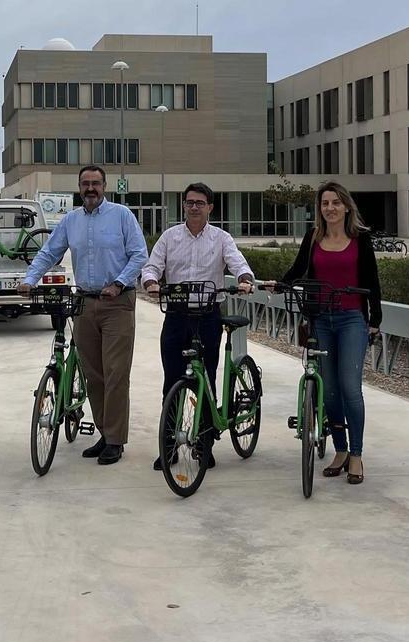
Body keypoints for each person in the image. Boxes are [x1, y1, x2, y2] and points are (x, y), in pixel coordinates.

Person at [17, 166, 148, 466]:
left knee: (116, 373)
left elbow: (140, 254)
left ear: (105, 186)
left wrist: (118, 283)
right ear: (79, 187)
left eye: (96, 183)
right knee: (94, 375)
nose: (91, 188)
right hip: (85, 303)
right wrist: (30, 279)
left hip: (117, 302)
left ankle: (115, 440)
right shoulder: (71, 221)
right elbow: (50, 252)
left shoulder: (122, 216)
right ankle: (105, 433)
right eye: (85, 184)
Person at [271, 180, 382, 484]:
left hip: (351, 320)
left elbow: (372, 281)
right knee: (329, 390)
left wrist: (376, 319)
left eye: (335, 203)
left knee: (350, 387)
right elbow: (297, 271)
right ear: (319, 209)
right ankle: (341, 450)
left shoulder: (361, 239)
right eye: (324, 204)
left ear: (346, 206)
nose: (330, 208)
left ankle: (357, 455)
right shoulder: (313, 237)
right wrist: (279, 284)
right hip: (321, 318)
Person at [142, 182, 255, 471]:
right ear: (183, 205)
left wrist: (244, 278)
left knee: (206, 379)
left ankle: (204, 443)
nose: (194, 207)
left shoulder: (221, 238)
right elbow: (152, 266)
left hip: (208, 316)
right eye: (190, 202)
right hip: (177, 315)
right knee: (172, 381)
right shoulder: (169, 237)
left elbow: (237, 262)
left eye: (200, 202)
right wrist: (152, 282)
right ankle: (168, 446)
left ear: (210, 207)